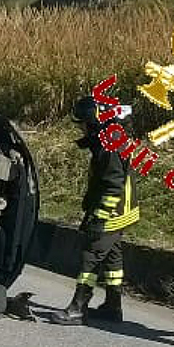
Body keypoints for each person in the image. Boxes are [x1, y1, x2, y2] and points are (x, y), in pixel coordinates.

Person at [52, 96, 140, 325]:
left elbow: (112, 184)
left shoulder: (109, 145)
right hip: (123, 211)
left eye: (82, 123)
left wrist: (99, 217)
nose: (81, 127)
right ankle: (113, 307)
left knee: (90, 255)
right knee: (112, 258)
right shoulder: (112, 137)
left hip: (112, 212)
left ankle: (77, 307)